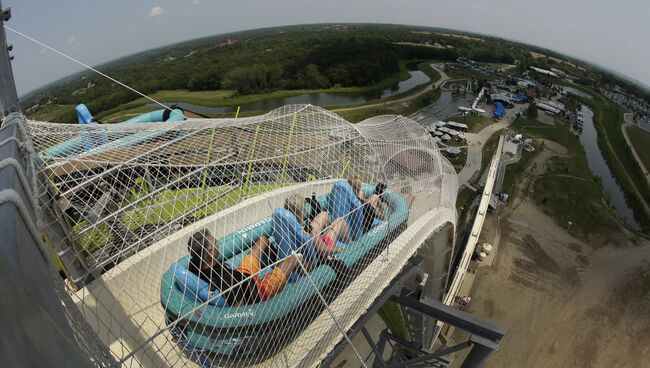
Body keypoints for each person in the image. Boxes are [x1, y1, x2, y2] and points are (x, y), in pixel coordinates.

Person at [187, 229, 301, 306]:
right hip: (258, 292)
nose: (217, 241)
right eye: (214, 242)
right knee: (294, 259)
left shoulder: (194, 264)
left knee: (263, 240)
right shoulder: (226, 280)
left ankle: (276, 264)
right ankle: (312, 271)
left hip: (242, 276)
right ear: (210, 253)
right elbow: (242, 309)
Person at [284, 194, 349, 257]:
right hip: (322, 253)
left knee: (323, 214)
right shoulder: (307, 230)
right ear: (302, 211)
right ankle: (351, 244)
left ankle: (330, 232)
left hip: (309, 250)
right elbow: (323, 250)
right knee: (340, 221)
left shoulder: (287, 228)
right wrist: (340, 249)